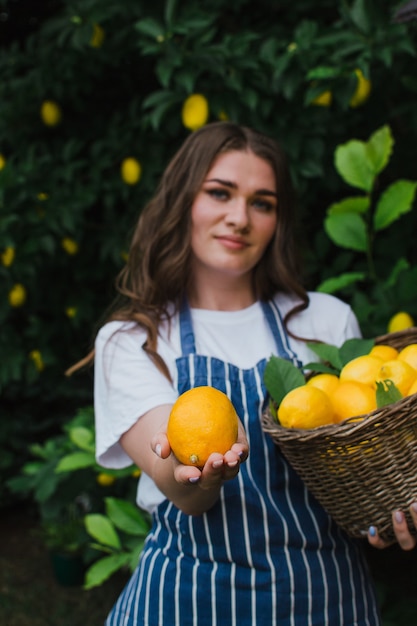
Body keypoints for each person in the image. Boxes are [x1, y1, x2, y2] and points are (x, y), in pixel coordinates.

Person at [93, 121, 416, 626]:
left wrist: (389, 508)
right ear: (183, 201)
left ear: (278, 220)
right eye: (220, 193)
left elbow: (365, 459)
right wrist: (197, 474)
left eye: (262, 202)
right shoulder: (135, 339)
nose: (239, 217)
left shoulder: (326, 321)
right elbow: (176, 482)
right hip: (188, 602)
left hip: (327, 600)